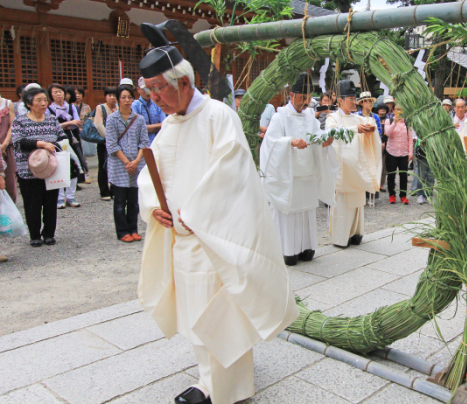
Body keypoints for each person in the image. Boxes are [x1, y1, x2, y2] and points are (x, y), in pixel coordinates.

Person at [137, 44, 297, 404]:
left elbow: (232, 174)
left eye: (157, 88)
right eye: (148, 90)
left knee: (220, 311)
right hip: (181, 238)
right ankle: (207, 380)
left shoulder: (217, 116)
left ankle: (229, 389)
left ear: (182, 83)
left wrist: (196, 214)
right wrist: (153, 206)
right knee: (194, 312)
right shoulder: (171, 123)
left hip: (213, 236)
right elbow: (153, 172)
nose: (153, 97)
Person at [259, 72, 338, 266]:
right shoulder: (280, 117)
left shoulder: (310, 116)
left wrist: (324, 140)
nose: (306, 102)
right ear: (292, 95)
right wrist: (290, 142)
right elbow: (271, 142)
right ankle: (288, 250)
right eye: (303, 98)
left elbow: (316, 135)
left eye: (309, 98)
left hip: (307, 173)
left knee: (307, 211)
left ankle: (307, 247)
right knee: (290, 212)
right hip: (289, 175)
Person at [326, 79, 382, 247]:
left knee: (358, 201)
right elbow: (332, 134)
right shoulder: (333, 118)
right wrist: (355, 130)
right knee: (343, 203)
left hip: (356, 167)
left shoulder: (357, 118)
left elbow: (369, 139)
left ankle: (356, 232)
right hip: (344, 168)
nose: (353, 102)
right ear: (340, 100)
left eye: (353, 98)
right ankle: (341, 237)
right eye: (349, 98)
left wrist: (369, 131)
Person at [12, 86, 67, 247]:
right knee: (32, 204)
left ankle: (49, 233)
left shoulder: (51, 120)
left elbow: (63, 137)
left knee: (50, 203)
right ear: (28, 103)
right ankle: (35, 235)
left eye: (45, 100)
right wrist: (42, 144)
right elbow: (19, 142)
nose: (44, 103)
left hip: (51, 170)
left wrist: (54, 145)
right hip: (29, 171)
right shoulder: (20, 121)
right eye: (39, 100)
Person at [106, 85, 148, 242]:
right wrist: (127, 162)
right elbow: (111, 144)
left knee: (134, 201)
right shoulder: (112, 119)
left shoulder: (139, 119)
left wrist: (136, 161)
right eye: (123, 97)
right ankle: (122, 231)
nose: (127, 100)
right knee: (119, 201)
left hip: (137, 164)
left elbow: (144, 142)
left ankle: (133, 228)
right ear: (118, 99)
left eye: (130, 97)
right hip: (119, 164)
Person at [47, 83, 83, 208]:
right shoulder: (49, 109)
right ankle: (60, 198)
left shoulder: (71, 107)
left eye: (60, 91)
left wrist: (65, 124)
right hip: (56, 140)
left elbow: (77, 123)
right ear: (51, 95)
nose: (59, 94)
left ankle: (71, 196)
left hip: (71, 138)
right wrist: (69, 123)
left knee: (74, 166)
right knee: (59, 167)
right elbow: (51, 126)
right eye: (55, 92)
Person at [384, 105, 412, 204]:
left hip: (404, 152)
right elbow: (387, 133)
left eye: (401, 109)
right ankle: (392, 194)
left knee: (403, 175)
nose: (399, 111)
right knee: (391, 175)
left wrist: (410, 152)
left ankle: (403, 195)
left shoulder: (407, 123)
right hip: (392, 151)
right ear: (394, 110)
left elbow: (410, 139)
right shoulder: (389, 121)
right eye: (397, 109)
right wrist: (394, 123)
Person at [94, 87, 119, 200]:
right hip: (104, 142)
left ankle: (114, 190)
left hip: (118, 141)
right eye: (109, 95)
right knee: (103, 165)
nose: (112, 97)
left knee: (116, 165)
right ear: (105, 97)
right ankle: (104, 191)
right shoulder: (101, 107)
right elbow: (99, 124)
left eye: (114, 95)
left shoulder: (119, 107)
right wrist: (110, 139)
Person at [131, 77, 166, 145]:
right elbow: (138, 128)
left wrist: (148, 128)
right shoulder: (134, 106)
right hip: (142, 145)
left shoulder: (157, 103)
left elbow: (165, 124)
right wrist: (157, 126)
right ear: (138, 89)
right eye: (144, 89)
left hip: (159, 143)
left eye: (149, 89)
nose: (147, 92)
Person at [0, 91, 17, 202]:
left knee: (10, 182)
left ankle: (10, 213)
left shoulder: (7, 103)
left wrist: (5, 143)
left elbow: (12, 125)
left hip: (6, 147)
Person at [412, 130, 434, 205]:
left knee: (431, 176)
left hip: (433, 152)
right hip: (423, 152)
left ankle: (429, 195)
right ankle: (420, 194)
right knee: (422, 175)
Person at [375, 102, 390, 192]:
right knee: (377, 164)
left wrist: (385, 142)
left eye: (384, 108)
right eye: (381, 108)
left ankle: (381, 184)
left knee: (385, 165)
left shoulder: (389, 120)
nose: (382, 110)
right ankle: (375, 183)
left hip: (388, 145)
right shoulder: (374, 119)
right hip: (377, 144)